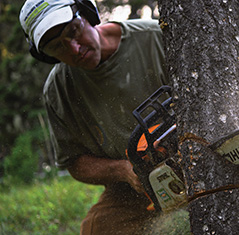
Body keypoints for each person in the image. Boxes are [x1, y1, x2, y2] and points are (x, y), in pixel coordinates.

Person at [19, 0, 169, 234]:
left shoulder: (154, 38)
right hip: (132, 188)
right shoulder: (59, 90)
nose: (74, 49)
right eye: (57, 47)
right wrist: (123, 170)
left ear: (88, 14)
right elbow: (75, 162)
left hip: (194, 157)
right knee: (97, 227)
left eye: (73, 31)